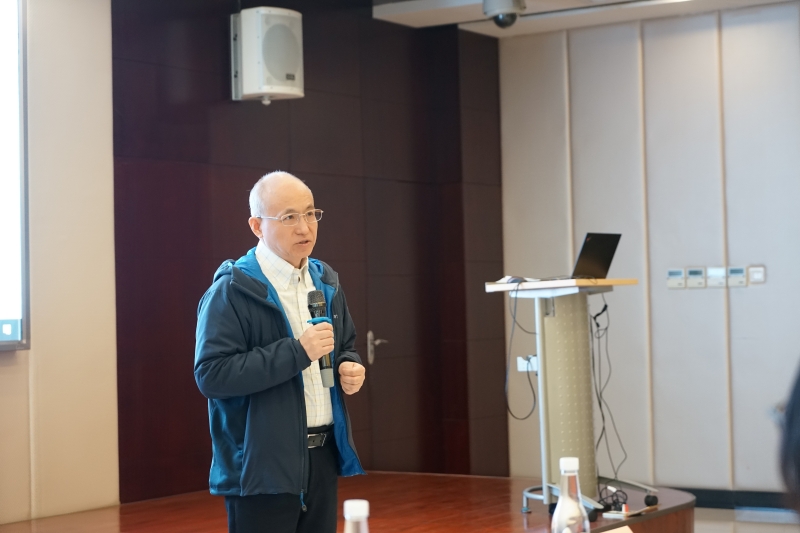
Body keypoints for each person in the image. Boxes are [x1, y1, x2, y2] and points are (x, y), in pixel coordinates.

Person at [194, 171, 366, 533]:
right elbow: (212, 375)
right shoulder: (232, 290)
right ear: (257, 226)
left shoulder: (325, 281)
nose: (304, 227)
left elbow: (345, 346)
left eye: (310, 214)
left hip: (322, 457)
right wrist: (297, 351)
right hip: (261, 468)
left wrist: (349, 366)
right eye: (289, 217)